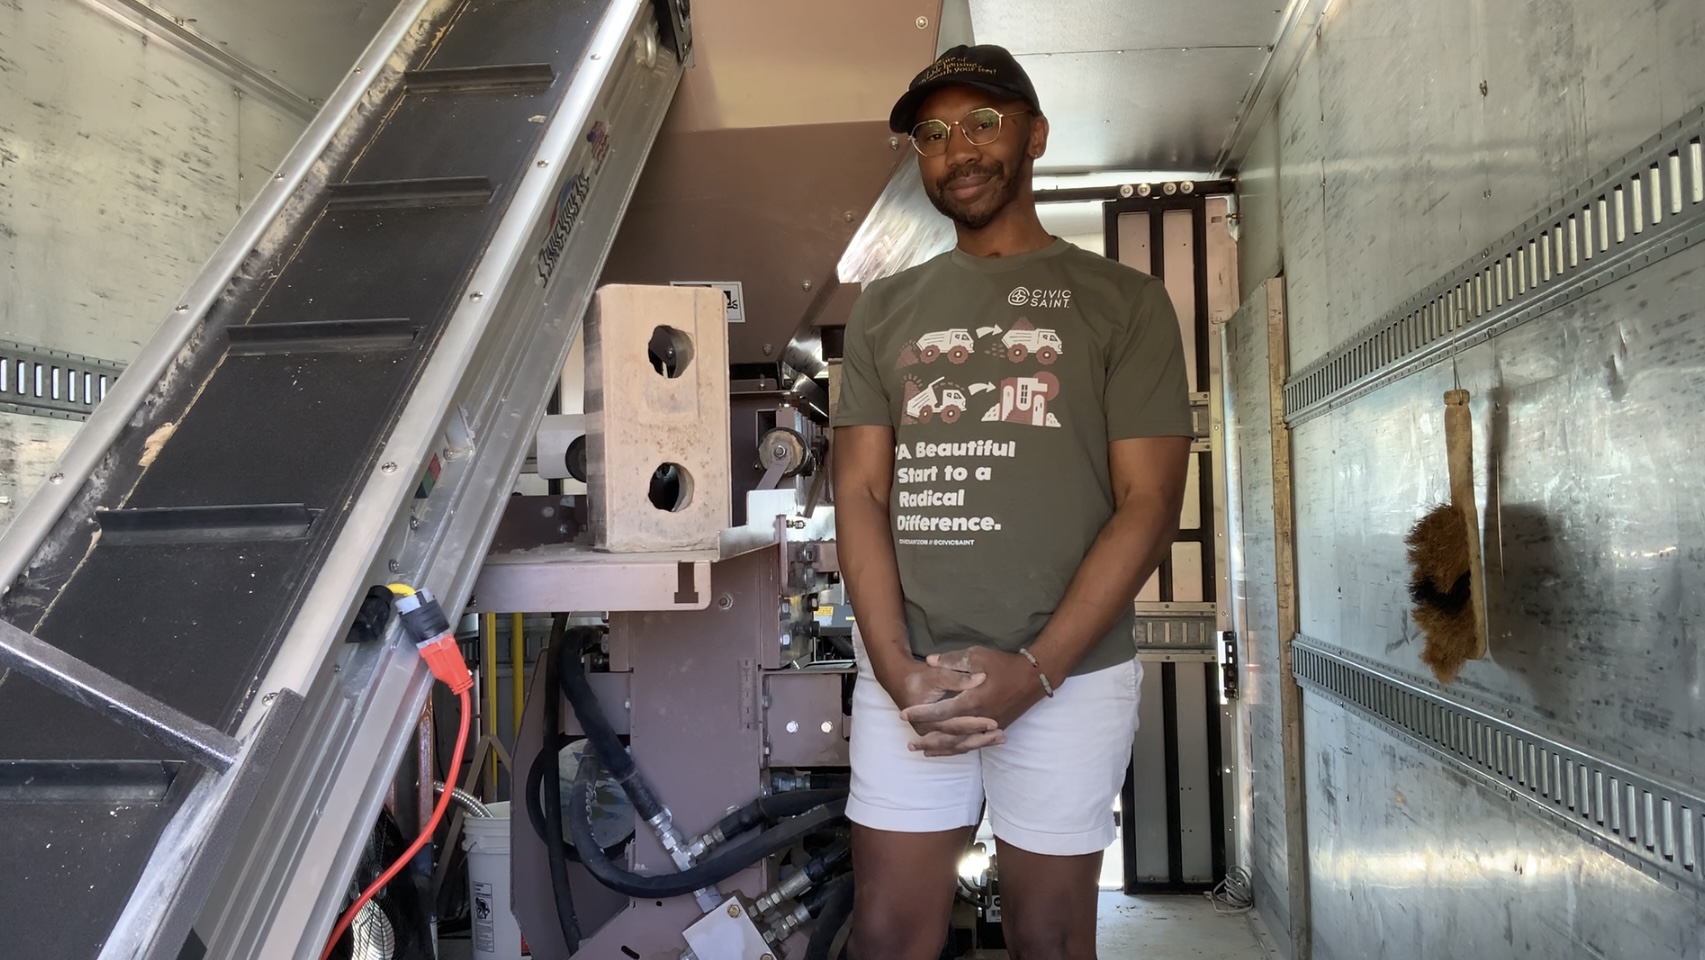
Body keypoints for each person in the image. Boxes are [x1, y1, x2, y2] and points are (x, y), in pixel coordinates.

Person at [830, 44, 1194, 960]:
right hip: (908, 674)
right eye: (934, 133)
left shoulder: (1124, 301)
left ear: (1034, 135)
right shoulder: (882, 310)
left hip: (1069, 674)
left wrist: (1035, 670)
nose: (959, 149)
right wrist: (892, 669)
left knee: (1052, 933)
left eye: (983, 123)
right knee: (886, 933)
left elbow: (1148, 504)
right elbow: (861, 492)